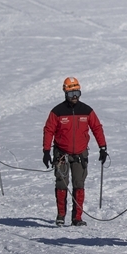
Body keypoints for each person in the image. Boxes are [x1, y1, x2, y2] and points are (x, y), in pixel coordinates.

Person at [43, 77, 108, 227]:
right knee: (61, 184)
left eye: (77, 92)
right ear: (65, 93)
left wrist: (102, 147)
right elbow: (49, 130)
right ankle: (61, 216)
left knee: (79, 184)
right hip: (62, 154)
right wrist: (46, 150)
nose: (75, 96)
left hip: (80, 155)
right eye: (71, 93)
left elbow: (97, 128)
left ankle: (77, 218)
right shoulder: (57, 111)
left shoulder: (87, 110)